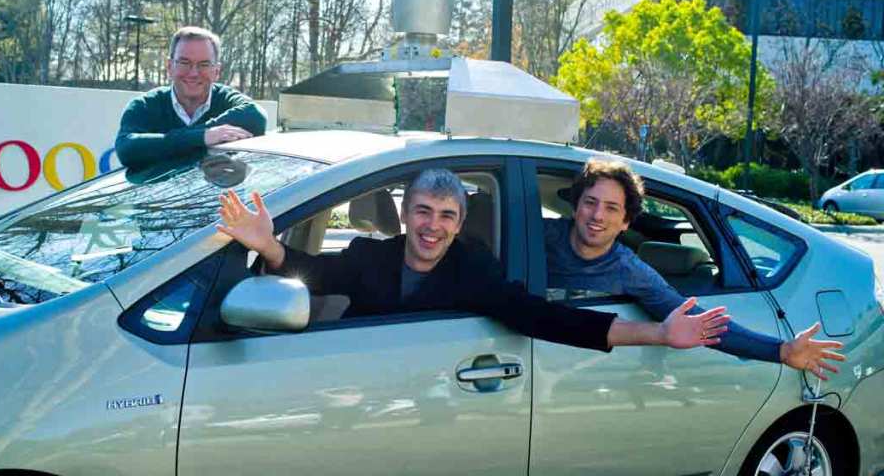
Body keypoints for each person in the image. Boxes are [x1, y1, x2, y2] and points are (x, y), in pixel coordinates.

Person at [217, 168, 732, 354]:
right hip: (367, 384)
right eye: (422, 211)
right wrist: (265, 244)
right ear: (405, 212)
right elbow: (315, 273)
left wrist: (660, 334)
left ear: (460, 224)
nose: (431, 226)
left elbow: (544, 318)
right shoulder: (369, 255)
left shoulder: (472, 269)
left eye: (445, 215)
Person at [546, 158, 845, 379]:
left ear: (626, 222)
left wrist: (782, 351)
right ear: (576, 207)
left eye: (612, 208)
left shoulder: (629, 271)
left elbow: (701, 322)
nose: (597, 215)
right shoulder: (536, 236)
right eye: (590, 202)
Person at [115, 26, 266, 169]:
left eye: (204, 64)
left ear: (217, 71)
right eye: (184, 62)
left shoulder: (227, 100)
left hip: (221, 196)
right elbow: (126, 148)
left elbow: (256, 116)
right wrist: (203, 137)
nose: (194, 73)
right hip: (160, 196)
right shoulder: (145, 106)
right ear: (169, 67)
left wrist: (169, 144)